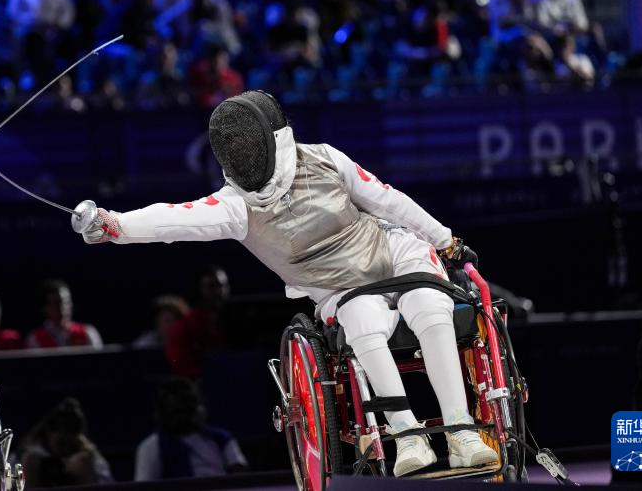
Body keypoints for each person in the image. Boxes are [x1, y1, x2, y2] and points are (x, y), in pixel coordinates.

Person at [76, 91, 498, 476]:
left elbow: (387, 199)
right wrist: (114, 225)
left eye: (247, 145)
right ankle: (407, 435)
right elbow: (172, 219)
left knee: (428, 305)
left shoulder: (325, 158)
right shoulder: (235, 206)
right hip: (340, 289)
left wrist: (444, 239)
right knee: (362, 322)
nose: (242, 155)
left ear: (272, 138)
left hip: (391, 253)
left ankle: (461, 432)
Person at [134, 377, 248, 481]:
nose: (183, 417)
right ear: (163, 412)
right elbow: (144, 486)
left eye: (188, 409)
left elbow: (240, 474)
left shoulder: (221, 438)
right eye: (178, 411)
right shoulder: (152, 446)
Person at [20, 397, 114, 486]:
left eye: (69, 428)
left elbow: (107, 483)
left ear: (77, 434)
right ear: (47, 431)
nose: (62, 434)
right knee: (29, 460)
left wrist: (86, 475)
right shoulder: (29, 452)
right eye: (56, 427)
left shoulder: (90, 456)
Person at [165, 267, 230, 378]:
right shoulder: (185, 326)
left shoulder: (234, 321)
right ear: (200, 289)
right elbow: (182, 366)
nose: (219, 291)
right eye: (211, 286)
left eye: (223, 285)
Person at [25, 279, 103, 349]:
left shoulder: (87, 333)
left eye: (66, 302)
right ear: (45, 308)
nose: (62, 308)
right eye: (56, 303)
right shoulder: (35, 338)